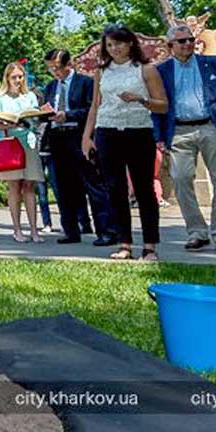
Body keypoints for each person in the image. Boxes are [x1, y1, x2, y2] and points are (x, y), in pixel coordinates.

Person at [154, 24, 216, 252]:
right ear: (170, 46)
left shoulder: (214, 64)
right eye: (181, 41)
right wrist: (159, 135)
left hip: (212, 127)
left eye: (190, 39)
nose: (188, 43)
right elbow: (157, 106)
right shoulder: (161, 71)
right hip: (178, 131)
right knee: (180, 179)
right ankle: (197, 232)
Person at [82, 24, 169, 261]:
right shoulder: (102, 72)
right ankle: (124, 244)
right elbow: (95, 106)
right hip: (107, 131)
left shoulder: (146, 69)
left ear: (130, 43)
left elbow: (163, 104)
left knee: (144, 190)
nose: (114, 49)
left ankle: (150, 246)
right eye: (109, 45)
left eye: (118, 43)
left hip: (138, 131)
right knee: (114, 189)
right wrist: (87, 137)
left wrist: (141, 99)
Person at [42, 49, 114, 245]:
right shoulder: (50, 87)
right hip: (58, 137)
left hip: (79, 136)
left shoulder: (85, 83)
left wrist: (69, 114)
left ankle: (106, 230)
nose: (55, 73)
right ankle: (71, 230)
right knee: (64, 187)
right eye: (50, 69)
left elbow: (92, 109)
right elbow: (47, 109)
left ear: (68, 65)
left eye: (57, 68)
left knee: (93, 184)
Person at [0, 62, 44, 243]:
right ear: (7, 78)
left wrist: (37, 116)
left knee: (30, 185)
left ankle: (34, 230)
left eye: (20, 77)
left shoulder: (30, 96)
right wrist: (6, 124)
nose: (18, 80)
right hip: (11, 142)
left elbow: (36, 118)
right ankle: (17, 229)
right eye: (14, 77)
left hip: (29, 141)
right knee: (14, 186)